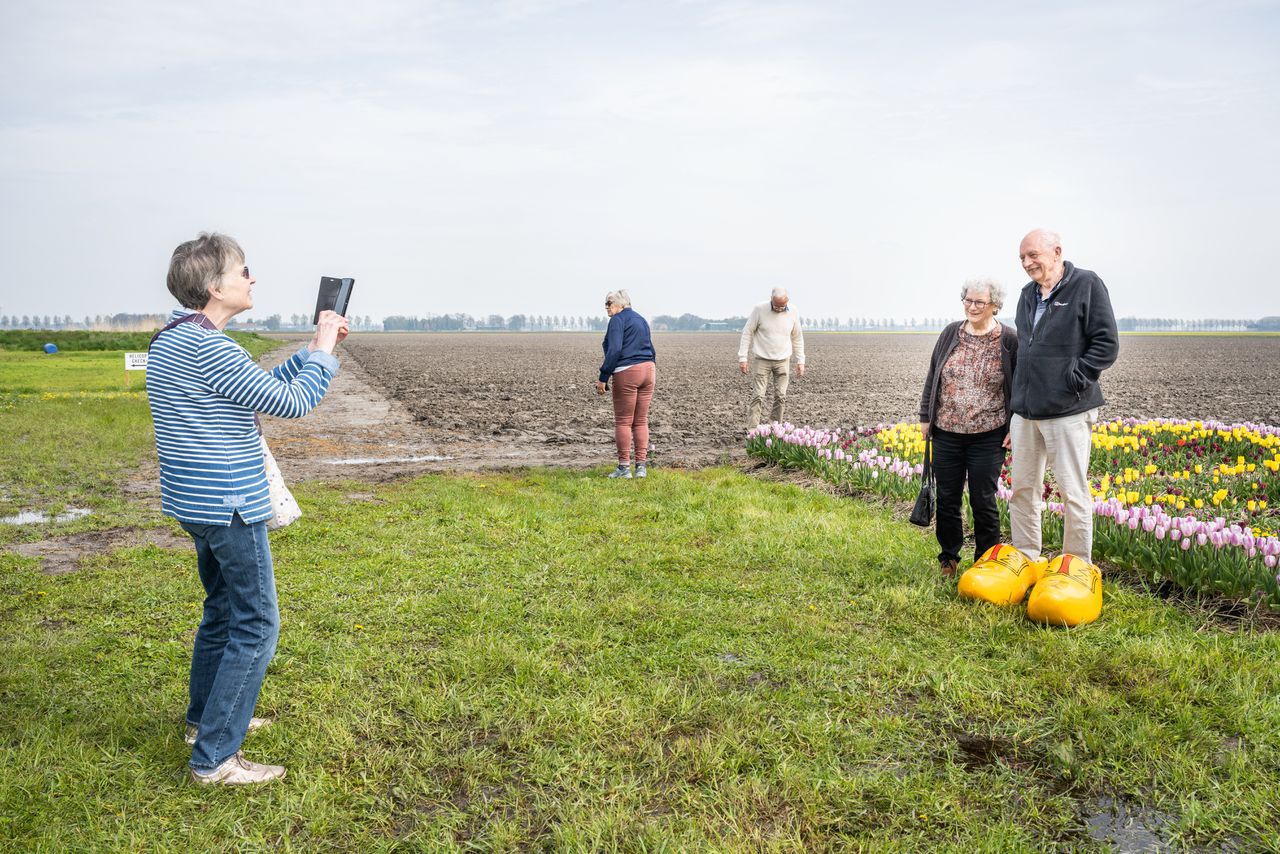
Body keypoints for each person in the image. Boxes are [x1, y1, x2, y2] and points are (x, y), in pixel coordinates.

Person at [147, 232, 348, 785]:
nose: (252, 279)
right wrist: (326, 355)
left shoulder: (175, 338)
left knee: (221, 610)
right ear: (215, 286)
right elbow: (292, 403)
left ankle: (202, 721)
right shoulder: (209, 346)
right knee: (257, 624)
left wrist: (308, 353)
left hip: (195, 502)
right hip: (230, 503)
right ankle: (215, 758)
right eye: (243, 271)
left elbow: (252, 387)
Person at [1009, 229, 1119, 563]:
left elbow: (1106, 343)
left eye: (1033, 255)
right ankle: (1027, 557)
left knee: (1072, 492)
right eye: (1022, 258)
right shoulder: (1027, 294)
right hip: (1027, 412)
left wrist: (1074, 378)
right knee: (1023, 491)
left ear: (1056, 252)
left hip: (1068, 410)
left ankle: (1075, 565)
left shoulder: (1086, 284)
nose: (1027, 263)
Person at [919, 279, 1019, 577]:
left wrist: (1015, 425)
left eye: (980, 302)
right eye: (968, 301)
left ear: (995, 306)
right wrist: (926, 416)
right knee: (948, 499)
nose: (972, 307)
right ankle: (948, 559)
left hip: (989, 436)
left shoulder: (1009, 340)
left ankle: (986, 564)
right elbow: (933, 375)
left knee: (983, 500)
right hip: (947, 432)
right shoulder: (951, 332)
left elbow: (1018, 386)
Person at [596, 290, 656, 479]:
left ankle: (623, 468)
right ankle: (641, 467)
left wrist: (604, 376)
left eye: (609, 303)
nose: (607, 307)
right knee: (641, 420)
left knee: (623, 421)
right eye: (606, 304)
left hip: (628, 371)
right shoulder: (641, 320)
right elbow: (651, 348)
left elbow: (614, 349)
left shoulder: (617, 320)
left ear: (622, 304)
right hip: (649, 370)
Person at [738, 288, 806, 429]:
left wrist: (801, 361)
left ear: (787, 301)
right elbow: (747, 333)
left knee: (780, 397)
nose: (780, 309)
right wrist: (743, 358)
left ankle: (774, 428)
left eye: (783, 306)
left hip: (783, 360)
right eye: (776, 306)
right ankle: (753, 429)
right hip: (762, 360)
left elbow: (797, 337)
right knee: (758, 396)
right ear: (771, 299)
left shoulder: (793, 311)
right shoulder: (759, 310)